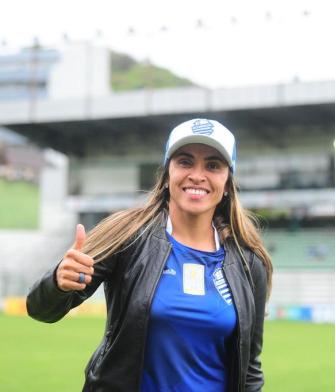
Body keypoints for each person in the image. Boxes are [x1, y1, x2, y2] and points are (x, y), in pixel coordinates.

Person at [26, 118, 273, 392]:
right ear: (167, 175)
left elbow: (249, 368)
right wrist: (58, 283)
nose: (197, 175)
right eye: (185, 161)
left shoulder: (249, 263)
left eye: (213, 165)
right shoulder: (127, 234)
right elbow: (40, 310)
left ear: (227, 183)